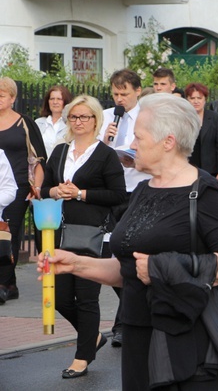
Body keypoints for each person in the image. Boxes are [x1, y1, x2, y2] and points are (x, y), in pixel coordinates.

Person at [39, 94, 218, 390]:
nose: (132, 145)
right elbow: (129, 269)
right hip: (137, 329)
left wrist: (164, 266)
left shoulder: (205, 192)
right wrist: (76, 264)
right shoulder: (145, 190)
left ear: (167, 142)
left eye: (138, 137)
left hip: (184, 336)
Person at [40, 95, 128, 378]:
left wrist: (80, 193)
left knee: (87, 298)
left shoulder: (105, 154)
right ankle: (92, 338)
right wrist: (56, 191)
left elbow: (118, 195)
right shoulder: (60, 151)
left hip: (93, 234)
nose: (78, 122)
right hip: (61, 233)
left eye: (84, 117)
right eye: (74, 117)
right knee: (63, 298)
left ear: (95, 120)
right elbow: (44, 190)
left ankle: (82, 357)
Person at [97, 69, 150, 346]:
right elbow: (94, 155)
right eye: (116, 94)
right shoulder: (107, 116)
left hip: (141, 189)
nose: (119, 99)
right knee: (112, 253)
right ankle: (128, 316)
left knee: (132, 254)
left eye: (125, 94)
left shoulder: (149, 115)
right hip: (113, 191)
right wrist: (106, 139)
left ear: (138, 91)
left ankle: (123, 324)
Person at [0, 77, 46, 304]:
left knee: (8, 234)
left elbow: (38, 159)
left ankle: (2, 284)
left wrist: (36, 187)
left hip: (16, 188)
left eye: (1, 95)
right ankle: (11, 283)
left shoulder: (24, 123)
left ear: (12, 98)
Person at [185, 83, 218, 185]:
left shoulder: (214, 117)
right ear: (187, 99)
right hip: (188, 169)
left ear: (205, 99)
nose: (196, 101)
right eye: (192, 98)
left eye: (199, 98)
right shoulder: (183, 119)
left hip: (211, 171)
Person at [35, 85, 73, 155]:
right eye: (52, 99)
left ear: (66, 101)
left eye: (59, 99)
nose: (55, 102)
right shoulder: (38, 123)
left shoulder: (71, 124)